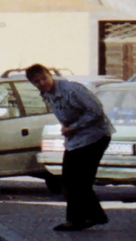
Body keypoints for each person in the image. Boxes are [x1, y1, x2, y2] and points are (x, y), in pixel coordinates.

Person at [26, 65, 113, 231]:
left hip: (94, 136)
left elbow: (96, 111)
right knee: (69, 180)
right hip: (75, 139)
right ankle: (82, 218)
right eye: (37, 82)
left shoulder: (71, 89)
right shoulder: (47, 94)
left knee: (80, 180)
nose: (42, 83)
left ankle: (84, 218)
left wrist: (74, 126)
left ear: (50, 75)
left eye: (44, 78)